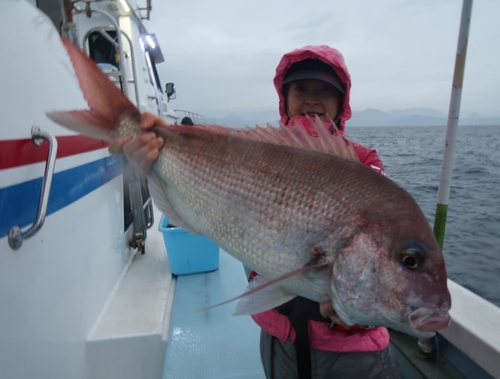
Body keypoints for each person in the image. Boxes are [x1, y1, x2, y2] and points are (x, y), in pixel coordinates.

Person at [109, 45, 400, 379]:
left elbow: (382, 236)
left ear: (342, 100)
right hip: (279, 337)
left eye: (325, 90)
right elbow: (219, 173)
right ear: (284, 97)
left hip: (350, 353)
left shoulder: (364, 163)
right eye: (300, 88)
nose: (312, 98)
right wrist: (161, 146)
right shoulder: (260, 152)